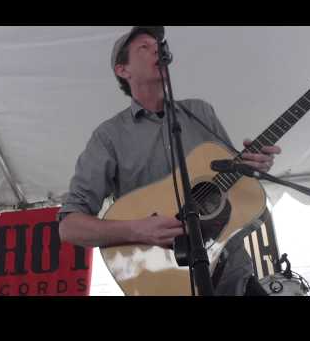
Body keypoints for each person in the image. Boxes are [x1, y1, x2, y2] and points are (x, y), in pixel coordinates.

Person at [58, 26, 282, 295]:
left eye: (159, 44)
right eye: (144, 47)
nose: (157, 48)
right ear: (123, 70)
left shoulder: (200, 112)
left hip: (235, 276)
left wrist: (252, 166)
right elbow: (70, 228)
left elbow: (232, 184)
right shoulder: (109, 137)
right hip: (167, 284)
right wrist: (138, 230)